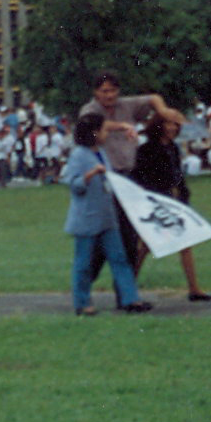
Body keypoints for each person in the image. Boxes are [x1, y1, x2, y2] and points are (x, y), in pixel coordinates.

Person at [61, 114, 150, 316]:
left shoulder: (101, 152)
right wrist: (90, 175)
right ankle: (82, 303)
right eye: (103, 129)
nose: (106, 133)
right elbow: (74, 185)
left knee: (120, 259)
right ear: (93, 133)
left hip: (107, 217)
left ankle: (131, 299)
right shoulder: (79, 155)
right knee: (83, 263)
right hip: (86, 219)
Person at [129, 116, 211, 302]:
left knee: (185, 243)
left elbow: (178, 175)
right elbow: (141, 177)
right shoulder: (146, 149)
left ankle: (194, 288)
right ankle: (127, 286)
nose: (173, 128)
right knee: (146, 245)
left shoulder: (173, 148)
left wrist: (183, 196)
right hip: (156, 202)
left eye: (175, 124)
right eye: (169, 123)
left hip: (175, 202)